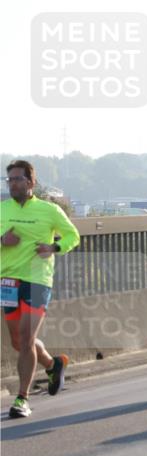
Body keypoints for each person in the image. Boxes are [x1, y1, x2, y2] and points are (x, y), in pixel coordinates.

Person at [2, 160, 80, 418]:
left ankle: (21, 398)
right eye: (9, 180)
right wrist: (3, 240)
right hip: (8, 280)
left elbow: (73, 236)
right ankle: (52, 363)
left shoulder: (50, 210)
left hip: (38, 281)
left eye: (17, 179)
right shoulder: (2, 210)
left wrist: (54, 248)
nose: (12, 183)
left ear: (31, 182)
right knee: (18, 341)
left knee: (25, 338)